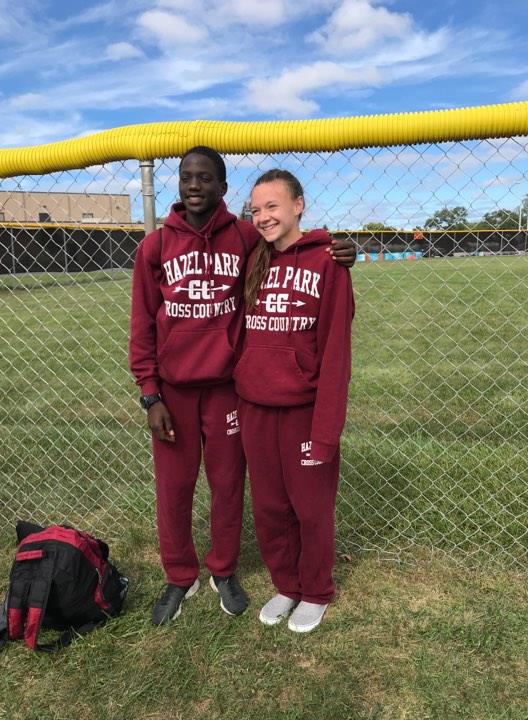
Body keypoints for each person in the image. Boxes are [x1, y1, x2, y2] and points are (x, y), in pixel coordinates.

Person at [129, 148, 356, 625]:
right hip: (174, 391)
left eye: (205, 177)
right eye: (187, 177)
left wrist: (340, 247)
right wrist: (150, 392)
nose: (195, 185)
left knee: (229, 485)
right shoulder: (155, 246)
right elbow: (142, 325)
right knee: (174, 488)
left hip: (229, 389)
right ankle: (179, 575)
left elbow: (295, 243)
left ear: (222, 187)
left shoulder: (245, 236)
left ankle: (223, 569)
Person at [234, 169, 354, 633]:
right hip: (256, 406)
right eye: (256, 209)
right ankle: (286, 584)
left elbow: (336, 353)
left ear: (298, 205)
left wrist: (326, 430)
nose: (263, 216)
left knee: (310, 507)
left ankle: (316, 590)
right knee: (269, 507)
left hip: (304, 409)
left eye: (273, 206)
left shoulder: (328, 261)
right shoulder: (253, 259)